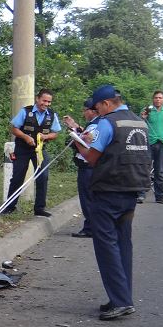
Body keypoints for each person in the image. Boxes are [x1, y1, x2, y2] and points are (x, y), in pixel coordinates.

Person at [71, 85, 151, 320]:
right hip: (132, 190)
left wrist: (77, 140)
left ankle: (121, 301)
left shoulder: (108, 122)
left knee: (107, 246)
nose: (97, 113)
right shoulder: (139, 122)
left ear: (106, 103)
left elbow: (91, 157)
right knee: (123, 244)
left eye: (97, 108)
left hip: (108, 190)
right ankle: (121, 296)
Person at [3, 88, 62, 216]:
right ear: (37, 99)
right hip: (22, 148)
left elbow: (55, 133)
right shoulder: (26, 111)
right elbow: (14, 129)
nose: (46, 104)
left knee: (43, 176)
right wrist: (26, 137)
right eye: (44, 101)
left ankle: (39, 208)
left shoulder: (52, 114)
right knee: (18, 177)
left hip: (39, 150)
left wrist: (46, 137)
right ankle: (9, 207)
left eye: (49, 102)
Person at [62, 99, 99, 237]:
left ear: (92, 111)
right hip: (91, 166)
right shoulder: (95, 124)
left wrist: (75, 138)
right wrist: (75, 127)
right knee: (91, 198)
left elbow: (87, 142)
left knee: (87, 198)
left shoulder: (96, 125)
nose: (84, 113)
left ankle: (90, 228)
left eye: (85, 110)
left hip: (88, 166)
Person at [138, 91, 163, 204]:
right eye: (156, 98)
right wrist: (143, 118)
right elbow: (139, 125)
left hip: (162, 144)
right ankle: (141, 195)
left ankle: (160, 196)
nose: (158, 99)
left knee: (159, 171)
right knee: (145, 169)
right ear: (153, 99)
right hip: (148, 143)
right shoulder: (147, 110)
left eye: (160, 98)